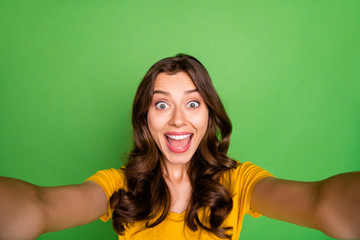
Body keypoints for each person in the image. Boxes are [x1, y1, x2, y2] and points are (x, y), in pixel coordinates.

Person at [0, 54, 359, 240]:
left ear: (209, 114)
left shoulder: (239, 182)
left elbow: (318, 202)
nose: (177, 120)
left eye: (192, 103)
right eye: (161, 104)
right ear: (145, 118)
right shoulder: (118, 186)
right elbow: (42, 208)